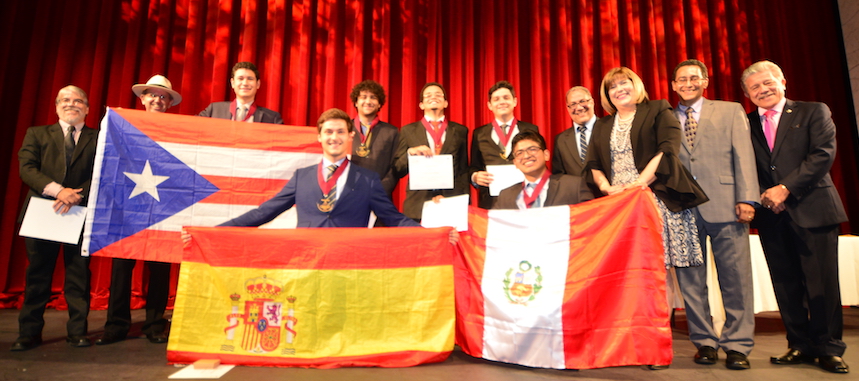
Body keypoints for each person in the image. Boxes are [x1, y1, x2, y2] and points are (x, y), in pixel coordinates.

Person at [586, 67, 708, 369]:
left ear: (636, 85)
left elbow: (668, 149)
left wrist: (641, 183)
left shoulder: (657, 109)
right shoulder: (602, 125)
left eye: (624, 82)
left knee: (683, 276)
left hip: (658, 198)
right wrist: (608, 189)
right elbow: (593, 163)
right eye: (612, 87)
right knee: (641, 276)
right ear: (607, 95)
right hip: (622, 207)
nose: (619, 89)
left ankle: (705, 342)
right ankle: (653, 343)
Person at [742, 60, 849, 374]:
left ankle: (829, 348)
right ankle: (799, 344)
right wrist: (765, 193)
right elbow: (742, 163)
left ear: (783, 81)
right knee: (786, 284)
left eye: (767, 82)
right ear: (747, 94)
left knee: (822, 284)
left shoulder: (814, 111)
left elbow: (823, 154)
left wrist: (785, 188)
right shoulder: (744, 123)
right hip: (771, 215)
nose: (763, 90)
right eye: (754, 87)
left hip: (813, 209)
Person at [671, 59, 759, 370]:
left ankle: (737, 345)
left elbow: (743, 155)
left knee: (736, 279)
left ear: (705, 81)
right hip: (683, 211)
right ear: (673, 85)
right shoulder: (665, 118)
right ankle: (704, 342)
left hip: (727, 205)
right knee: (691, 283)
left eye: (694, 78)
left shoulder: (730, 109)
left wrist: (747, 198)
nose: (688, 83)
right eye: (681, 79)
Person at [221, 108, 420, 229]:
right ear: (319, 137)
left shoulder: (368, 180)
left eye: (341, 132)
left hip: (349, 266)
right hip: (307, 266)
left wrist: (432, 233)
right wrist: (217, 230)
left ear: (351, 136)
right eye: (329, 132)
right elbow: (264, 212)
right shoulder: (301, 177)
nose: (334, 137)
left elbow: (394, 218)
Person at [95, 75, 182, 346]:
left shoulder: (180, 130)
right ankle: (116, 325)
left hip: (163, 205)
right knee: (122, 266)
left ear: (169, 103)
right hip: (128, 204)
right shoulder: (124, 124)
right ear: (142, 98)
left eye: (163, 96)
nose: (157, 99)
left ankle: (155, 324)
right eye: (151, 94)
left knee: (160, 266)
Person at [12, 86, 98, 351]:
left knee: (78, 275)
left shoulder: (99, 137)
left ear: (86, 107)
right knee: (38, 274)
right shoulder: (37, 133)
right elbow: (27, 168)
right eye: (65, 100)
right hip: (43, 212)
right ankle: (28, 333)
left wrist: (75, 195)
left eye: (78, 101)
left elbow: (103, 171)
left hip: (80, 213)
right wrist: (58, 191)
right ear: (56, 105)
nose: (71, 104)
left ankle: (77, 332)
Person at [393, 82, 469, 221]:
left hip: (450, 200)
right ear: (421, 105)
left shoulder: (460, 130)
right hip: (418, 202)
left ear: (445, 103)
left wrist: (464, 202)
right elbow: (398, 168)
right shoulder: (408, 131)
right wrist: (410, 153)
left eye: (438, 95)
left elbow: (463, 170)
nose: (433, 97)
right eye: (428, 95)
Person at [470, 81, 540, 209]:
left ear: (515, 101)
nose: (502, 102)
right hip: (491, 202)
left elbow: (540, 164)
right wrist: (475, 176)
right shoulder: (479, 134)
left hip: (526, 198)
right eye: (496, 99)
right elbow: (474, 166)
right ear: (490, 105)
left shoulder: (531, 130)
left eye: (506, 98)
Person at [494, 130, 592, 209]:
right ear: (515, 162)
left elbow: (591, 220)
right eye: (519, 153)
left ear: (546, 155)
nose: (526, 156)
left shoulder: (573, 186)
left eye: (532, 149)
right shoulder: (505, 196)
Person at [349, 80, 400, 196]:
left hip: (379, 196)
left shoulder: (391, 132)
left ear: (379, 104)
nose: (368, 101)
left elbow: (395, 167)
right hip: (347, 195)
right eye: (363, 97)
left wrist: (379, 190)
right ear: (356, 102)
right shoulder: (344, 129)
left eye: (373, 97)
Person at [198, 62, 284, 124]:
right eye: (240, 78)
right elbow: (192, 126)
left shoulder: (272, 118)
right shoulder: (214, 110)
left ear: (258, 84)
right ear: (232, 83)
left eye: (250, 79)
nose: (245, 83)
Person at [552, 86, 597, 178]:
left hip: (611, 191)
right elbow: (559, 176)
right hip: (575, 192)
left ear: (592, 102)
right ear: (568, 108)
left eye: (582, 101)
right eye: (573, 104)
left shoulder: (608, 128)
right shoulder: (561, 140)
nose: (579, 108)